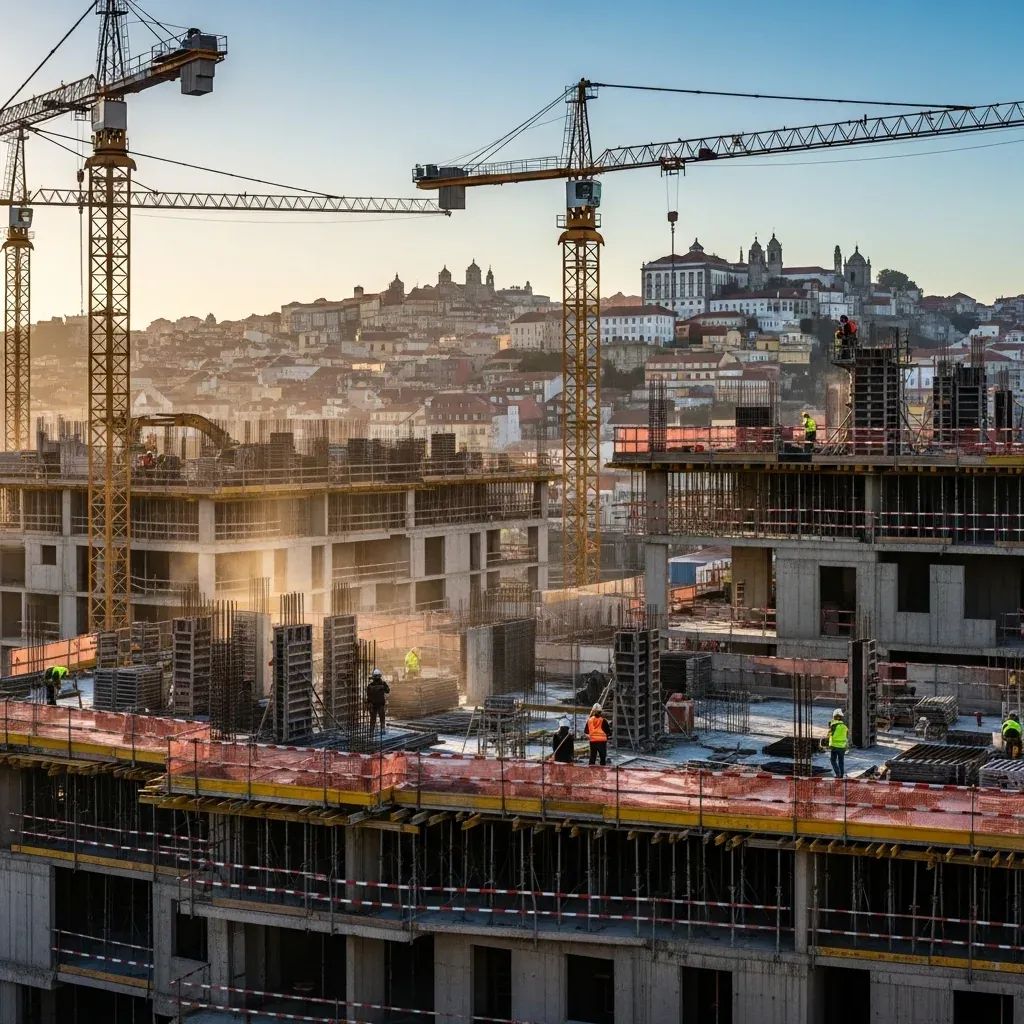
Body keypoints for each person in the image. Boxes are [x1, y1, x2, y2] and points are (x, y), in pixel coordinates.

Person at [366, 668, 390, 735]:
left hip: (375, 704)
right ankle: (381, 730)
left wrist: (369, 703)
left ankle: (372, 731)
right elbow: (387, 690)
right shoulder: (382, 684)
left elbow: (368, 696)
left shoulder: (370, 685)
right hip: (379, 704)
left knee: (373, 719)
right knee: (381, 718)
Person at [826, 708, 849, 779]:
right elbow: (847, 736)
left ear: (835, 717)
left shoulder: (833, 725)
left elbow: (829, 735)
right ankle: (841, 775)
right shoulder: (845, 727)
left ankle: (837, 774)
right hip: (842, 747)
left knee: (833, 760)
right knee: (841, 761)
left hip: (834, 746)